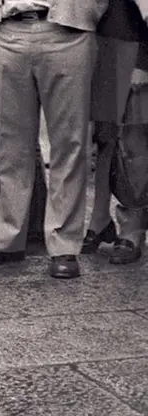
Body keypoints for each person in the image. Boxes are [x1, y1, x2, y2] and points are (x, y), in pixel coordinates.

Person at [0, 0, 109, 279]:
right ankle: (6, 238)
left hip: (67, 30)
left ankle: (64, 244)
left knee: (69, 143)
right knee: (11, 142)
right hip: (10, 30)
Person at [89, 0, 148, 264]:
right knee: (105, 137)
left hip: (132, 46)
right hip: (101, 42)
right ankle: (100, 221)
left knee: (134, 142)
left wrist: (143, 61)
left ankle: (133, 229)